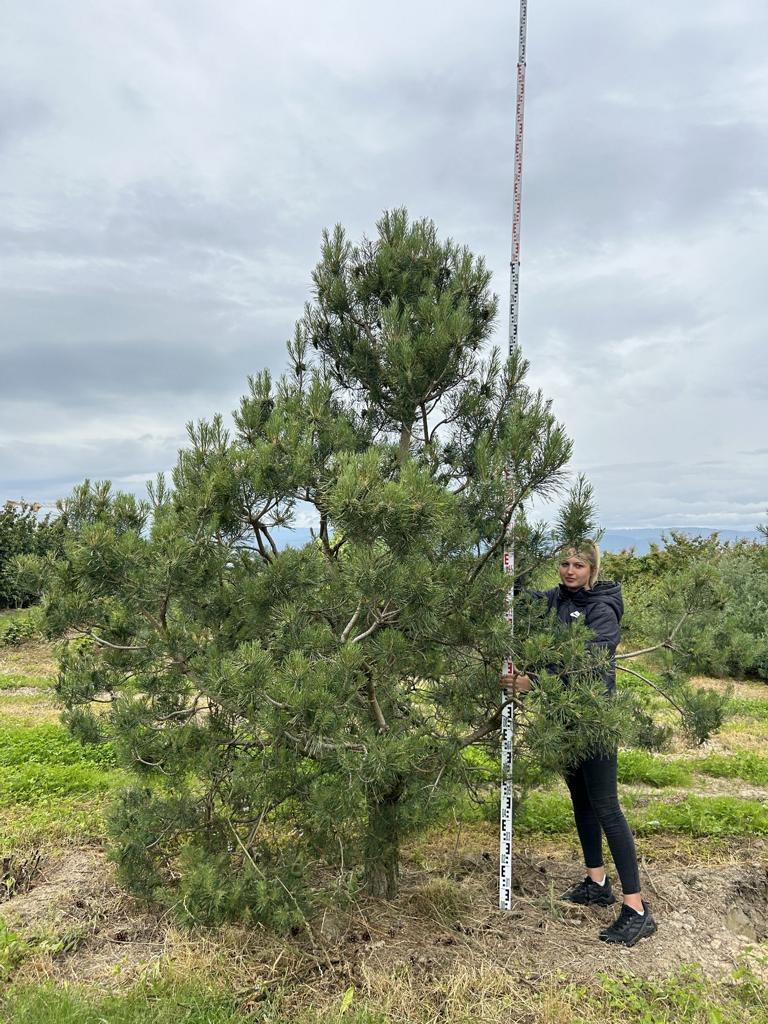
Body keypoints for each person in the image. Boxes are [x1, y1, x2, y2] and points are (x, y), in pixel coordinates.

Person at [502, 542, 657, 947]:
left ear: (592, 568)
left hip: (595, 721)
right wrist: (509, 552)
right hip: (563, 720)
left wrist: (534, 681)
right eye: (564, 563)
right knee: (581, 801)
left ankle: (637, 909)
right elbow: (518, 598)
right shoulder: (557, 599)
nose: (570, 570)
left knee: (607, 807)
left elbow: (590, 662)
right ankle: (596, 881)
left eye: (578, 564)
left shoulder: (601, 608)